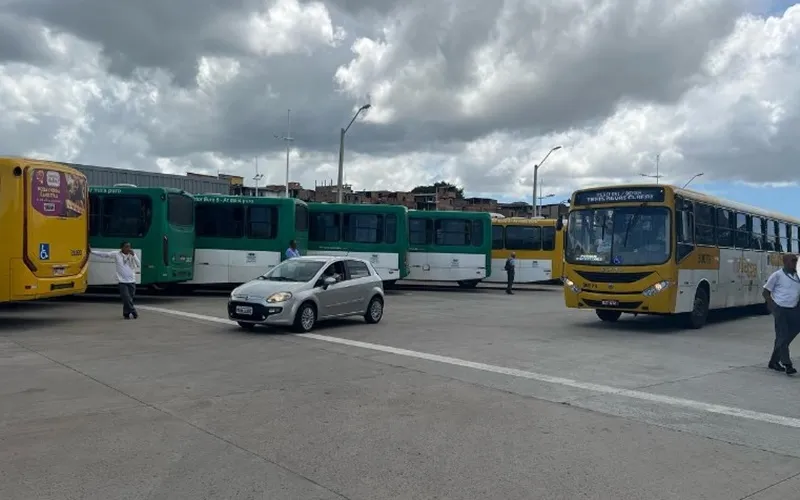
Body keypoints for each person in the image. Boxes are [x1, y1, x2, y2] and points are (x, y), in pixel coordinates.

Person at [762, 253, 800, 375]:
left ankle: (773, 361)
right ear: (786, 262)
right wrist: (773, 306)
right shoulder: (777, 275)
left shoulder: (797, 276)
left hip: (794, 309)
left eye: (796, 261)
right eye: (793, 261)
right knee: (782, 335)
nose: (795, 263)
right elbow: (766, 292)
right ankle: (787, 364)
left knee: (787, 335)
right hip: (781, 309)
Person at [90, 241, 140, 319]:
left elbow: (138, 264)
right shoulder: (117, 254)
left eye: (129, 247)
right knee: (126, 298)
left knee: (129, 299)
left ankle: (126, 313)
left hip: (132, 281)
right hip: (122, 281)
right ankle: (133, 311)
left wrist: (134, 255)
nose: (128, 248)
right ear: (122, 248)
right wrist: (92, 252)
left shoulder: (132, 255)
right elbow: (104, 255)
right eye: (126, 247)